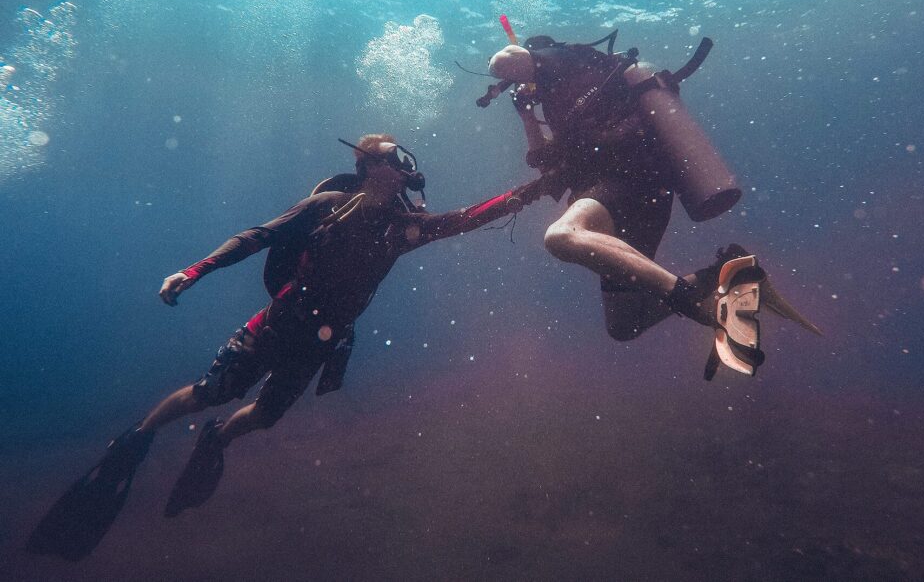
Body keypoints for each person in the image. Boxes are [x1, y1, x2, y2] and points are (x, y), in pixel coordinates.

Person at [27, 134, 547, 560]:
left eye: (406, 158)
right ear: (371, 166)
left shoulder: (402, 228)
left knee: (266, 415)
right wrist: (194, 271)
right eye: (396, 157)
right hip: (279, 323)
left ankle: (217, 439)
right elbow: (258, 236)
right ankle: (137, 438)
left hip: (323, 341)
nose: (407, 166)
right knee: (211, 391)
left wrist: (526, 194)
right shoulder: (327, 207)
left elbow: (463, 220)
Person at [488, 30, 821, 380]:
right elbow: (546, 165)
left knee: (561, 236)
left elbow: (502, 63)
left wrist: (514, 65)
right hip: (637, 199)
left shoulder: (564, 59)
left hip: (627, 181)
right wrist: (527, 114)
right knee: (625, 323)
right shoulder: (565, 100)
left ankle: (699, 307)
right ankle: (730, 271)